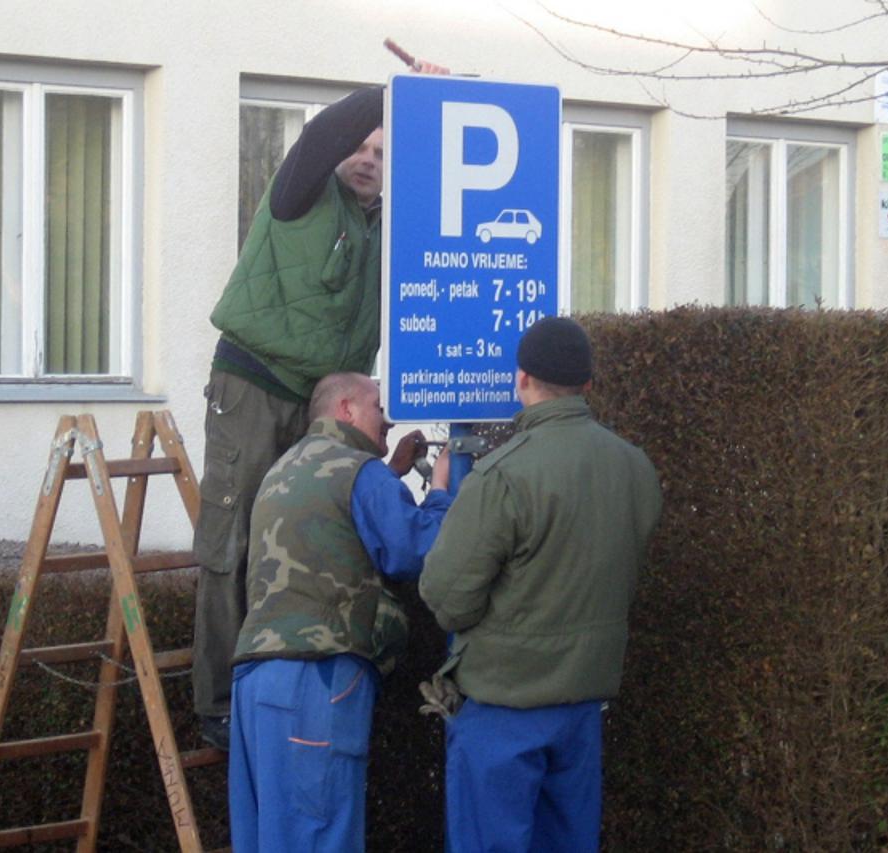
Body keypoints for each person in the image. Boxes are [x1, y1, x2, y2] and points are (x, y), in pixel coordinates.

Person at [192, 62, 446, 749]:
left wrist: (434, 110)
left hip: (322, 404)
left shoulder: (384, 227)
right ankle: (219, 700)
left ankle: (296, 678)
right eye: (359, 148)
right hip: (254, 385)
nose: (367, 160)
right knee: (236, 536)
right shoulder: (301, 192)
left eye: (383, 152)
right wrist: (397, 93)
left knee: (314, 531)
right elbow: (325, 131)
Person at [418, 317, 663, 852]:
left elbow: (446, 597)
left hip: (504, 706)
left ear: (521, 378)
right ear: (588, 385)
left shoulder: (502, 475)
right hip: (583, 705)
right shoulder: (635, 468)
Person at [228, 372, 452, 853]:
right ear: (346, 409)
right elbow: (415, 550)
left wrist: (390, 470)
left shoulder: (284, 468)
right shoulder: (359, 472)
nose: (388, 418)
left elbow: (334, 517)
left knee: (271, 839)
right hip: (317, 680)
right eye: (377, 407)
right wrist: (439, 492)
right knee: (322, 833)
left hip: (256, 681)